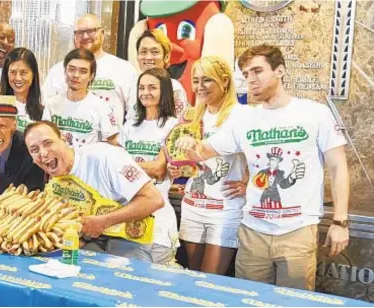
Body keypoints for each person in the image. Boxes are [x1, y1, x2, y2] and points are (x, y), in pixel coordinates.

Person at [175, 44, 349, 290]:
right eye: (246, 74)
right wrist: (189, 143)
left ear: (280, 71)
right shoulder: (243, 118)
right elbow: (205, 150)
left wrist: (340, 222)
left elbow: (338, 167)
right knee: (248, 299)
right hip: (252, 231)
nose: (250, 80)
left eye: (257, 71)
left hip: (297, 230)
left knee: (294, 303)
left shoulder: (314, 113)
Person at [24, 120, 164, 260]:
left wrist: (103, 221)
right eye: (34, 150)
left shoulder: (106, 156)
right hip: (90, 243)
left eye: (48, 143)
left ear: (63, 139)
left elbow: (153, 200)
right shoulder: (50, 178)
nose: (43, 153)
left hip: (132, 241)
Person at [169, 56, 247, 275]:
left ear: (224, 81)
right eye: (196, 80)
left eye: (207, 80)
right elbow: (180, 156)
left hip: (225, 209)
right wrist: (176, 168)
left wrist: (249, 184)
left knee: (211, 280)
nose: (200, 87)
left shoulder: (240, 114)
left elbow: (258, 154)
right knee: (193, 276)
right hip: (193, 204)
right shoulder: (192, 114)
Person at [119, 68, 179, 264]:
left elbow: (159, 169)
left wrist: (127, 165)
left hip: (160, 221)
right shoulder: (129, 127)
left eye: (152, 87)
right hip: (127, 218)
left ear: (165, 91)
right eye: (141, 87)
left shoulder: (174, 126)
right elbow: (114, 166)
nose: (145, 92)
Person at [43, 14, 136, 125]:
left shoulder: (123, 68)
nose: (85, 36)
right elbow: (45, 105)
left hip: (108, 139)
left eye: (91, 31)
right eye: (80, 32)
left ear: (102, 33)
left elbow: (135, 114)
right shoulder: (57, 70)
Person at [43, 48, 118, 148]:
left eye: (83, 71)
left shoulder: (102, 107)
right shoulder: (51, 104)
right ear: (65, 71)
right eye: (71, 69)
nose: (76, 75)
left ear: (91, 76)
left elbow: (114, 143)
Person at [126, 29, 188, 122]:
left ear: (166, 57)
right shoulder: (131, 85)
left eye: (155, 52)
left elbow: (179, 125)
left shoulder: (174, 87)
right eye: (143, 52)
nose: (148, 57)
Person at [0, 47, 46, 132]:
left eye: (24, 72)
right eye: (13, 72)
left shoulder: (43, 112)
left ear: (33, 74)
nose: (18, 78)